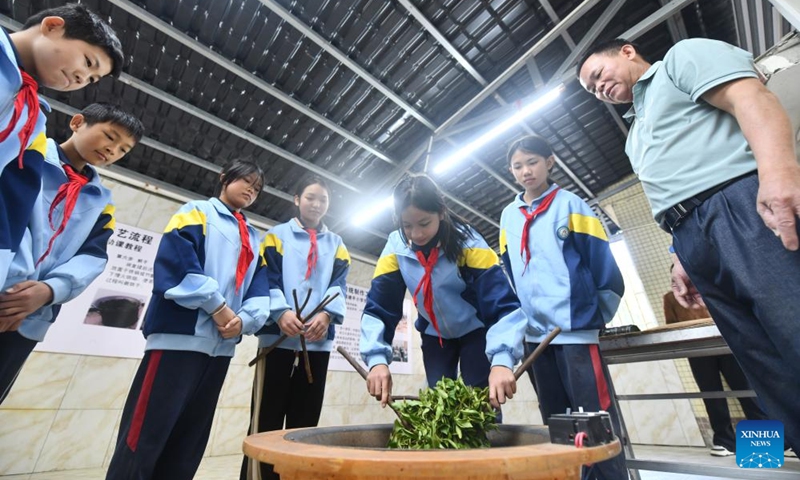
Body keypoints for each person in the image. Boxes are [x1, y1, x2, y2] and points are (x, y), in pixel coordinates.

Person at [577, 37, 800, 452]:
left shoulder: (680, 60)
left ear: (626, 51)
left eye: (597, 75)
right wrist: (681, 255)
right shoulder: (635, 135)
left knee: (793, 331)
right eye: (590, 90)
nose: (598, 88)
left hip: (737, 205)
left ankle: (738, 442)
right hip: (691, 237)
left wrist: (779, 169)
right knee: (762, 364)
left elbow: (749, 96)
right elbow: (671, 193)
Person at [106, 160, 271, 480]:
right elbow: (178, 264)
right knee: (146, 434)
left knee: (189, 440)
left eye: (257, 188)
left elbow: (260, 288)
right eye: (246, 181)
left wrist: (245, 320)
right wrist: (220, 309)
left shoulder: (253, 236)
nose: (251, 190)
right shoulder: (196, 212)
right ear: (225, 178)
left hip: (220, 349)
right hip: (177, 340)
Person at [499, 135, 627, 480]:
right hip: (535, 340)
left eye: (533, 162)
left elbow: (603, 267)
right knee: (556, 422)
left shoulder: (571, 204)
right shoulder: (508, 216)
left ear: (550, 161)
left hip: (575, 333)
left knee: (596, 420)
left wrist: (591, 316)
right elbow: (509, 272)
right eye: (518, 165)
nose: (526, 171)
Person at [0, 103, 143, 405]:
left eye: (123, 149)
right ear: (78, 122)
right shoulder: (27, 155)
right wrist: (15, 288)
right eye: (110, 136)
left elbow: (93, 257)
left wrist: (49, 290)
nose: (113, 150)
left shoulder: (102, 202)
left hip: (32, 314)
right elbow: (11, 217)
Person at [360, 174, 525, 412]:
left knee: (480, 407)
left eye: (424, 223)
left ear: (441, 212)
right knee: (440, 406)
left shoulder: (468, 242)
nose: (416, 234)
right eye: (407, 225)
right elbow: (379, 306)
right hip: (434, 336)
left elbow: (502, 304)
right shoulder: (395, 247)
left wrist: (502, 360)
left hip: (476, 333)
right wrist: (376, 361)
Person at [0, 4, 123, 292]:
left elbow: (11, 203)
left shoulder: (33, 119)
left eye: (92, 80)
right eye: (88, 62)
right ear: (52, 26)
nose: (83, 79)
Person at [241, 177, 350, 480]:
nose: (317, 205)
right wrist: (280, 311)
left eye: (323, 200)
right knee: (266, 419)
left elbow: (339, 285)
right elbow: (266, 277)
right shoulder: (276, 236)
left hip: (317, 342)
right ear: (296, 198)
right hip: (277, 337)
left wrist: (327, 315)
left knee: (305, 421)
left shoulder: (337, 245)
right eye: (311, 198)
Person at [663, 284, 767, 457]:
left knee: (747, 392)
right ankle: (725, 441)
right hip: (696, 350)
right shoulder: (671, 298)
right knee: (711, 395)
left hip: (728, 344)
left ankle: (765, 443)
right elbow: (671, 325)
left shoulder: (710, 286)